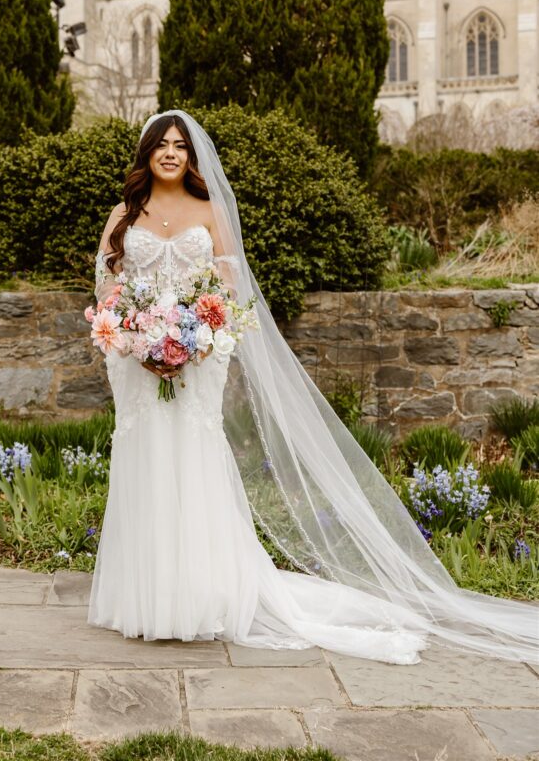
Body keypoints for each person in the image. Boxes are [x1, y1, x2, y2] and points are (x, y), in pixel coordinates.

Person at [87, 109, 538, 666]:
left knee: (191, 459)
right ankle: (146, 597)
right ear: (147, 155)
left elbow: (229, 296)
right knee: (147, 460)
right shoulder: (123, 215)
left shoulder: (210, 212)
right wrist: (137, 342)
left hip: (198, 357)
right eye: (162, 145)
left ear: (192, 156)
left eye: (181, 145)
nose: (172, 153)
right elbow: (107, 289)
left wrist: (194, 343)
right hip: (138, 363)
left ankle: (199, 598)